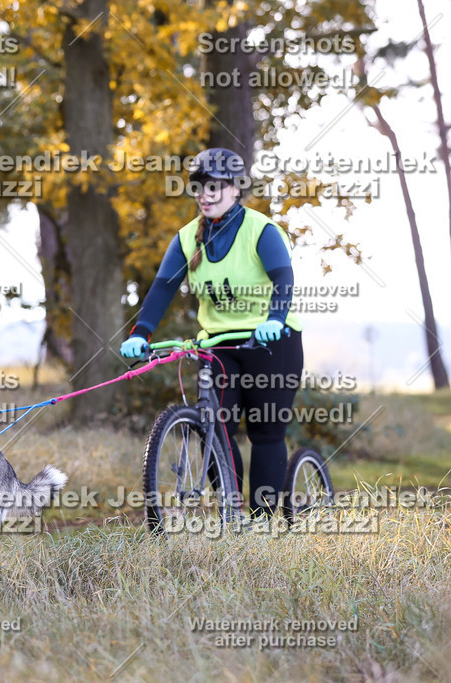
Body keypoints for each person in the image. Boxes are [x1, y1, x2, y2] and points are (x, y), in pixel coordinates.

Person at [120, 148, 303, 517]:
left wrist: (275, 318)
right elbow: (162, 289)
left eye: (215, 187)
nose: (205, 194)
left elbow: (283, 277)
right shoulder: (188, 238)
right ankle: (233, 515)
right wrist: (141, 333)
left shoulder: (260, 229)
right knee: (216, 430)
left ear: (236, 189)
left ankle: (264, 522)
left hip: (271, 342)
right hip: (219, 345)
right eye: (199, 187)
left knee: (265, 433)